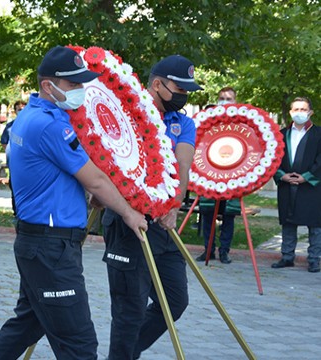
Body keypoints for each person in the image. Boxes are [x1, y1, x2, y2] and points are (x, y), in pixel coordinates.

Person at [0, 45, 148, 360]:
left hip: (40, 244)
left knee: (28, 325)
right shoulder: (50, 126)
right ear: (48, 86)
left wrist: (91, 198)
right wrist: (128, 212)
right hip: (51, 249)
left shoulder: (30, 117)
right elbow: (94, 178)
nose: (81, 90)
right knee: (79, 346)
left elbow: (59, 177)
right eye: (73, 85)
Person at [102, 55, 201, 360]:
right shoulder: (126, 115)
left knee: (174, 300)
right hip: (127, 221)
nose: (183, 96)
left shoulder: (182, 122)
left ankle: (123, 354)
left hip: (163, 221)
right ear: (157, 84)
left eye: (188, 91)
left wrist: (176, 204)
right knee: (129, 311)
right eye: (178, 88)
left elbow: (183, 164)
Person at [272, 97, 321, 273]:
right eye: (296, 109)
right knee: (288, 221)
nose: (299, 113)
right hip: (287, 183)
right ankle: (287, 257)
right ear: (291, 112)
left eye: (303, 109)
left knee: (315, 224)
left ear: (310, 112)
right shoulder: (281, 134)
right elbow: (273, 157)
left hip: (311, 186)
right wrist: (282, 175)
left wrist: (306, 176)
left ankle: (314, 259)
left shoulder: (318, 134)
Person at [196, 87, 240, 264]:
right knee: (207, 214)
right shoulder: (209, 122)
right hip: (211, 174)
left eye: (229, 98)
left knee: (228, 215)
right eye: (221, 98)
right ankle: (208, 250)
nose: (225, 101)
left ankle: (224, 251)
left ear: (235, 101)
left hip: (232, 175)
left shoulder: (241, 123)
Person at [0, 100, 26, 217]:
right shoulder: (10, 127)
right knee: (15, 188)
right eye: (19, 109)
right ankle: (17, 213)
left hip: (28, 165)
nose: (22, 111)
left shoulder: (30, 124)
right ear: (15, 112)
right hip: (14, 165)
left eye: (24, 109)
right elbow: (4, 142)